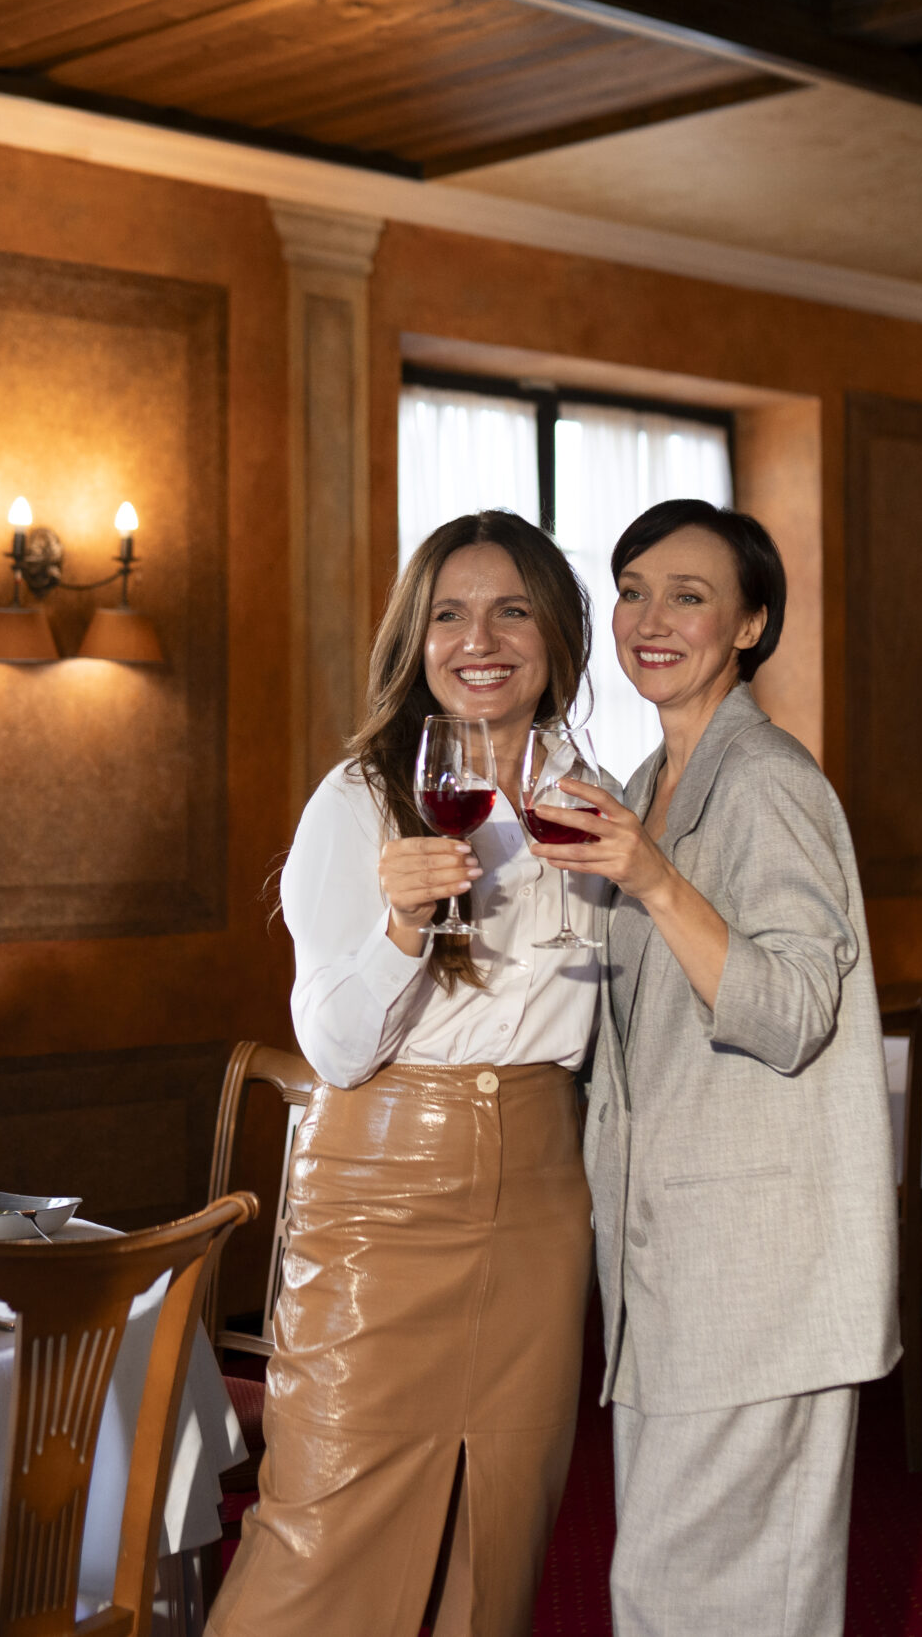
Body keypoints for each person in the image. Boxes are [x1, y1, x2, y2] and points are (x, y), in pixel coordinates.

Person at [210, 511, 606, 1637]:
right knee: (321, 1532)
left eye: (511, 608)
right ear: (414, 639)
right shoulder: (360, 800)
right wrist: (400, 925)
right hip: (380, 1194)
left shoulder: (595, 794)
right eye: (448, 613)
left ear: (555, 632)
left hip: (538, 1189)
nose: (479, 637)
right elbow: (335, 1048)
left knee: (501, 1533)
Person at [533, 500, 894, 1637]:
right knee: (677, 1590)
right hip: (668, 1258)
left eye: (687, 596)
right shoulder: (645, 783)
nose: (650, 617)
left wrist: (648, 882)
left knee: (694, 1593)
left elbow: (789, 1011)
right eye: (633, 589)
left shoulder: (766, 781)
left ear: (749, 626)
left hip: (757, 1270)